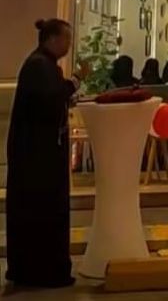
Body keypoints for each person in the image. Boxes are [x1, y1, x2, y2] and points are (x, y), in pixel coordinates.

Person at [6, 19, 82, 288]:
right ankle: (42, 272)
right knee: (42, 214)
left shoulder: (44, 65)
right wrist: (74, 82)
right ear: (52, 39)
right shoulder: (39, 66)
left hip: (41, 153)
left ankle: (43, 269)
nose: (69, 45)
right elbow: (50, 100)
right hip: (37, 157)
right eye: (66, 39)